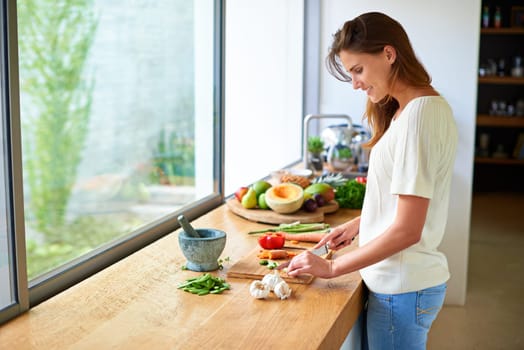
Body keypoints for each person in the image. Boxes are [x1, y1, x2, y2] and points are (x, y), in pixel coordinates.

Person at [285, 12, 458, 349]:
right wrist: (360, 224)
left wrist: (332, 268)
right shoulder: (408, 111)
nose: (355, 84)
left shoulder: (420, 115)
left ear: (389, 54)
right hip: (398, 285)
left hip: (402, 287)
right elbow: (408, 203)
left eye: (358, 70)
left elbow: (409, 229)